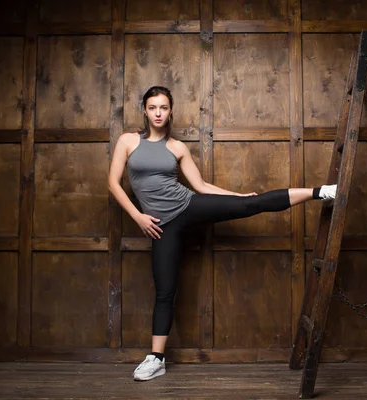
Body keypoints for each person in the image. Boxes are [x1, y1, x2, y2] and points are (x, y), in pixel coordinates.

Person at [108, 86, 337, 381]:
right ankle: (156, 358)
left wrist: (237, 197)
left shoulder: (177, 148)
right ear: (144, 110)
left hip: (187, 206)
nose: (158, 113)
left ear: (171, 111)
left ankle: (321, 192)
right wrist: (138, 216)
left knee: (252, 204)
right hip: (159, 224)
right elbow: (113, 183)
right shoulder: (128, 141)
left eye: (163, 108)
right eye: (152, 107)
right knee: (165, 290)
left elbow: (201, 187)